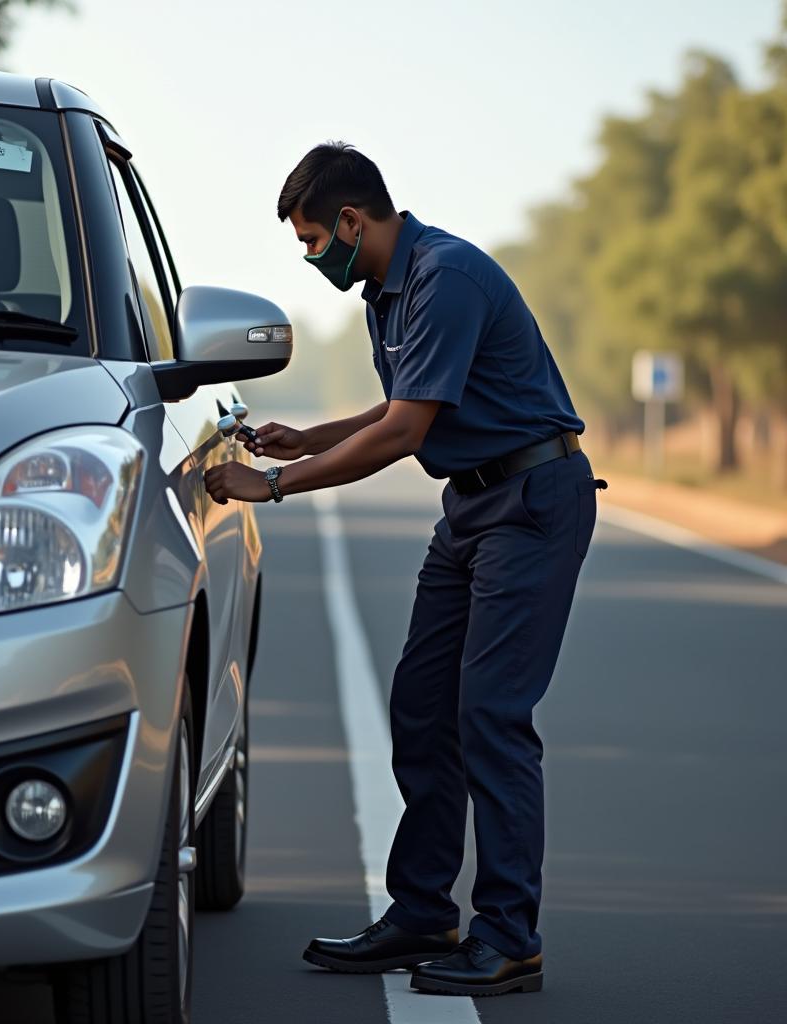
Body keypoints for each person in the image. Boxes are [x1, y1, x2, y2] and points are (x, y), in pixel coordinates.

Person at [203, 141, 607, 998]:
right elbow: (402, 403)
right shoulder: (389, 291)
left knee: (492, 715)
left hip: (533, 501)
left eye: (313, 239)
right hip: (475, 505)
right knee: (423, 706)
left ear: (352, 220)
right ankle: (423, 912)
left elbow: (401, 434)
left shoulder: (446, 276)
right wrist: (307, 437)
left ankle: (510, 937)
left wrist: (271, 483)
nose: (313, 257)